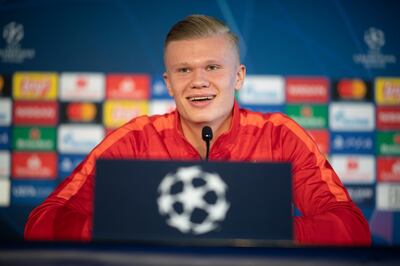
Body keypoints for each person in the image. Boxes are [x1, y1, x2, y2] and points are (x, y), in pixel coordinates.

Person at [25, 14, 371, 245]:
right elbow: (41, 224)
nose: (198, 81)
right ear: (169, 83)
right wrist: (128, 229)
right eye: (184, 71)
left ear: (239, 77)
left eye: (213, 67)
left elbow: (353, 230)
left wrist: (256, 233)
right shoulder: (134, 139)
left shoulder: (280, 135)